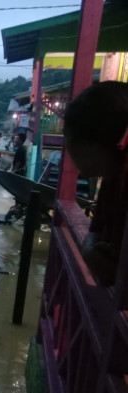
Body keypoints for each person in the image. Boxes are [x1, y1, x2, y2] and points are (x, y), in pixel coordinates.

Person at [63, 81, 128, 285]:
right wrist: (90, 250)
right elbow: (95, 232)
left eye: (68, 139)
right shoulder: (112, 176)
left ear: (88, 145)